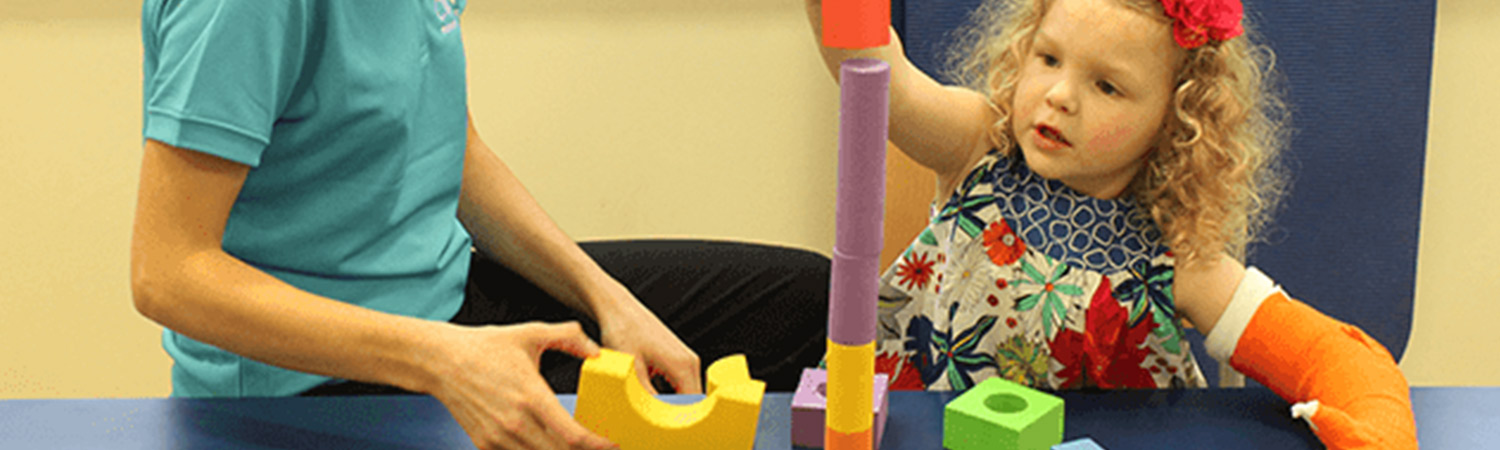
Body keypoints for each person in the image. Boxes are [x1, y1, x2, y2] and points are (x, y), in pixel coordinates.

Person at [132, 2, 827, 449]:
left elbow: (447, 146)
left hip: (449, 305)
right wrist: (444, 361)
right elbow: (167, 273)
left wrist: (610, 299)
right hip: (315, 384)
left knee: (804, 306)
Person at [805, 0, 1416, 447]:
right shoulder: (976, 146)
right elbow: (883, 78)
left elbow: (1324, 353)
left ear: (1171, 122)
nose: (1059, 95)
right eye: (1047, 58)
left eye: (1107, 86)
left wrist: (1377, 426)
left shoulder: (1178, 259)